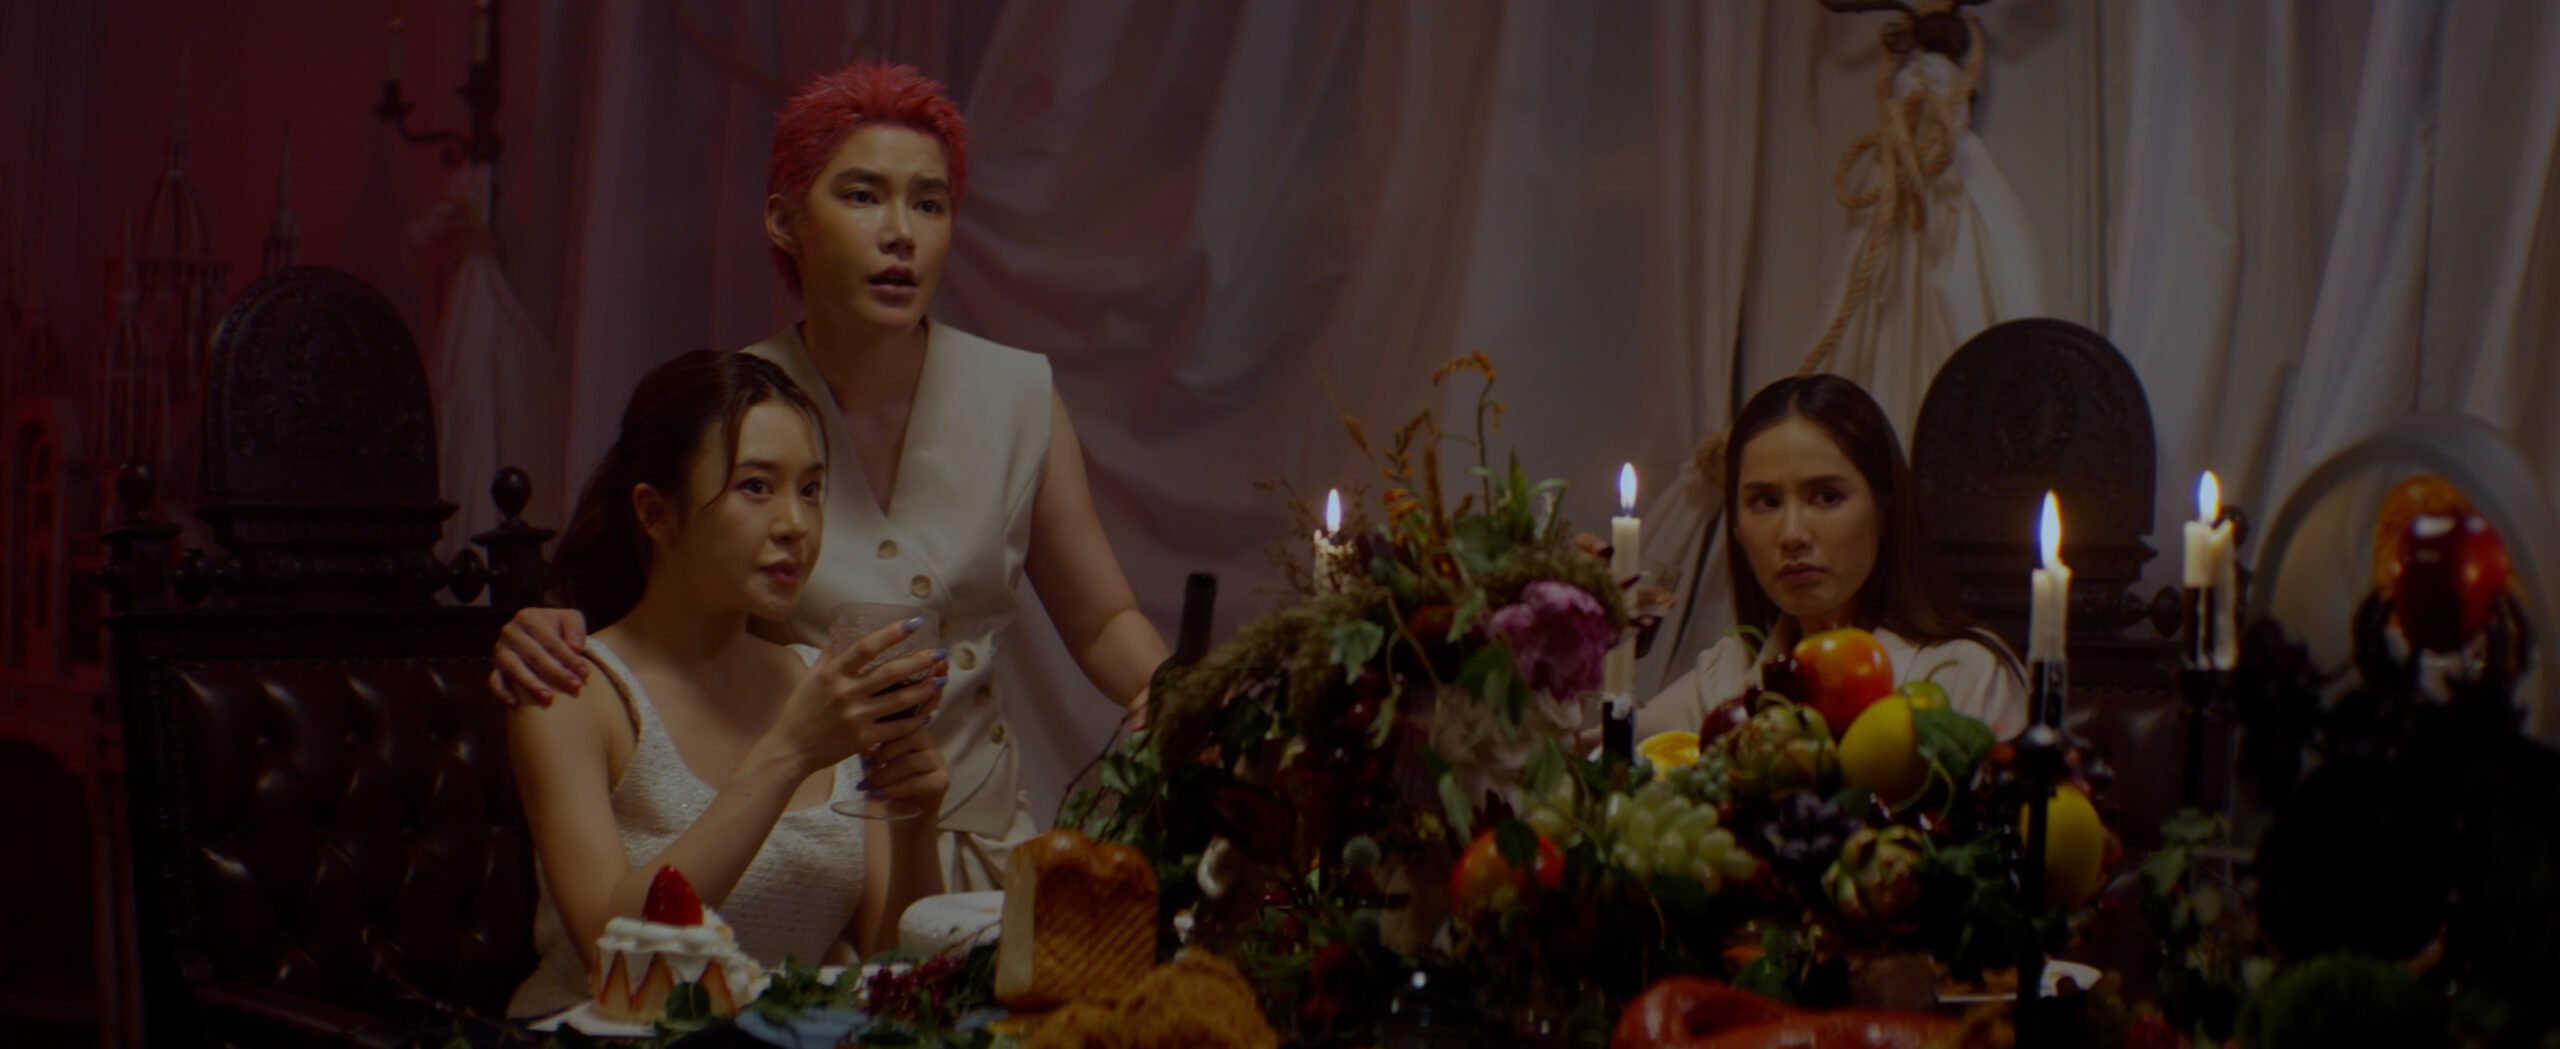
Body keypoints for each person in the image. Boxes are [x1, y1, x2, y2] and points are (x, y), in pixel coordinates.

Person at [491, 62, 1168, 891]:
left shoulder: (1019, 394)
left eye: (929, 203)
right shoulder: (736, 407)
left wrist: (1179, 696)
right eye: (862, 196)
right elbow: (643, 608)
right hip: (804, 855)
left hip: (985, 843)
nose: (901, 232)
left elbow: (1103, 622)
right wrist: (544, 629)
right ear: (785, 221)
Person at [508, 350, 950, 1019]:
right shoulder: (573, 688)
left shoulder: (823, 683)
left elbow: (895, 971)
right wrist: (790, 752)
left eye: (811, 490)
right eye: (756, 486)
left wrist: (916, 822)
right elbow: (613, 957)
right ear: (657, 514)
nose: (795, 524)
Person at [1635, 374, 2027, 740]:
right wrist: (1597, 630)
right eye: (1766, 502)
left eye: (1826, 497)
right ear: (1736, 527)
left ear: (1885, 510)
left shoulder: (1965, 673)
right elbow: (1614, 749)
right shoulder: (1729, 672)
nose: (1792, 535)